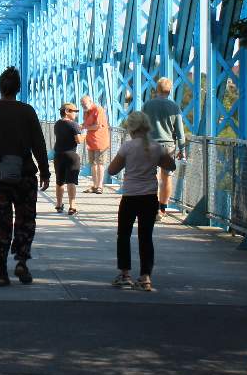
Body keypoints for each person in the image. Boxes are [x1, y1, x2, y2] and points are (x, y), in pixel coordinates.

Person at [0, 66, 50, 286]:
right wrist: (45, 171)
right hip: (24, 175)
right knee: (25, 220)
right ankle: (21, 261)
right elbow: (39, 144)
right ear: (18, 88)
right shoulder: (27, 111)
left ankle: (0, 272)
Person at [107, 112, 176, 291]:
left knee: (123, 235)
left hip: (130, 196)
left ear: (131, 128)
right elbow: (171, 166)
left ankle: (125, 274)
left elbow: (112, 170)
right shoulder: (156, 147)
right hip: (149, 197)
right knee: (146, 238)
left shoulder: (127, 147)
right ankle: (145, 277)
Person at [143, 77, 188, 218]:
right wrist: (182, 149)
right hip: (168, 146)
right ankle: (162, 209)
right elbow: (180, 132)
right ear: (170, 90)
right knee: (167, 177)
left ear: (157, 89)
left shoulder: (147, 105)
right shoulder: (174, 107)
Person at [51, 103, 82, 215]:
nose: (76, 114)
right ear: (67, 111)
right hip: (71, 155)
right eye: (74, 111)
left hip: (58, 155)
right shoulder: (74, 125)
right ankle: (72, 206)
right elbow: (78, 140)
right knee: (71, 181)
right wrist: (84, 134)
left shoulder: (57, 124)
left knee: (59, 181)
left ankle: (59, 205)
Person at [79, 95, 111, 193]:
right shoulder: (86, 112)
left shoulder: (98, 110)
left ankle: (100, 186)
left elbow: (98, 126)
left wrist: (84, 127)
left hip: (100, 141)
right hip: (91, 142)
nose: (83, 106)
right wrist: (81, 126)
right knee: (93, 164)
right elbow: (86, 124)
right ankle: (94, 185)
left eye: (84, 104)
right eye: (82, 104)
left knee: (100, 163)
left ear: (90, 101)